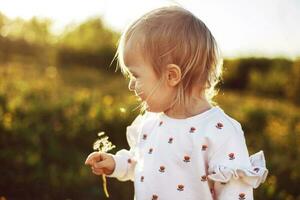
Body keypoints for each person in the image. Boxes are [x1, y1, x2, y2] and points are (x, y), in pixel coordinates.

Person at [85, 5, 268, 200]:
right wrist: (116, 164)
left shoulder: (219, 131)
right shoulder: (150, 123)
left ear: (171, 76)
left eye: (136, 75)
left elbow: (235, 193)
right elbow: (142, 163)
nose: (131, 85)